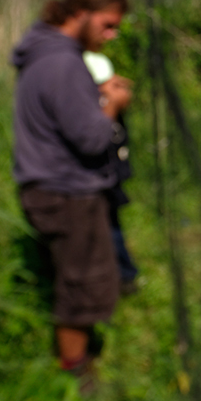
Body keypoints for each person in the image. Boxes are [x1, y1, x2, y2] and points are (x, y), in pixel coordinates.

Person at [11, 0, 132, 383]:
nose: (113, 35)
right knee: (81, 288)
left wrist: (95, 99)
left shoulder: (43, 52)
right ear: (81, 13)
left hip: (47, 184)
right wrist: (112, 104)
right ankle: (76, 376)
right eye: (107, 24)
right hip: (67, 193)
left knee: (71, 276)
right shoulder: (63, 64)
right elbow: (91, 138)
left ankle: (77, 359)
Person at [83, 50, 140, 294]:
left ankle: (125, 276)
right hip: (101, 175)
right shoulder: (102, 103)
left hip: (109, 175)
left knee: (110, 226)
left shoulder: (107, 105)